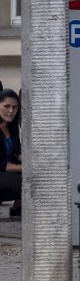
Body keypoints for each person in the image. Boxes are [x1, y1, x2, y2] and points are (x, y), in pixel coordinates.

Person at [0, 89, 22, 217]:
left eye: (14, 107)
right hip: (2, 169)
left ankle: (18, 207)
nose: (11, 111)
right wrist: (23, 168)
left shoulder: (11, 127)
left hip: (6, 171)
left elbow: (17, 153)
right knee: (25, 181)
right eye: (6, 106)